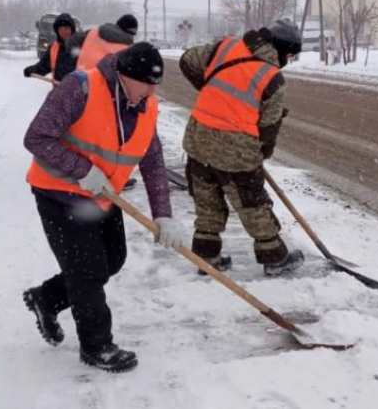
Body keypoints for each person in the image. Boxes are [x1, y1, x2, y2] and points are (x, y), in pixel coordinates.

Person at [22, 42, 181, 373]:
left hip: (102, 195)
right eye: (147, 83)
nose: (152, 92)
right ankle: (97, 346)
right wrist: (82, 170)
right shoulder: (79, 87)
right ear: (124, 75)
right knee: (88, 269)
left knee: (113, 259)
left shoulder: (145, 106)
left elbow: (152, 160)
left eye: (156, 85)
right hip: (58, 193)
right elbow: (36, 137)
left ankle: (46, 299)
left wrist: (163, 214)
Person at [179, 20, 304, 277]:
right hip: (236, 151)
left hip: (199, 138)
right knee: (252, 203)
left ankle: (207, 257)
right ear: (282, 50)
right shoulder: (272, 77)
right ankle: (275, 258)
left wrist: (208, 87)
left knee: (207, 201)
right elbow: (268, 128)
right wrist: (261, 154)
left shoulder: (227, 46)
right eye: (289, 56)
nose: (288, 62)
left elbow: (187, 60)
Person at [23, 13, 78, 82]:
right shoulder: (53, 48)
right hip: (60, 90)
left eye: (66, 28)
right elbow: (44, 66)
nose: (63, 32)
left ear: (72, 29)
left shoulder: (82, 46)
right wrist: (32, 70)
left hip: (81, 91)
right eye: (60, 29)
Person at [71, 14, 137, 71]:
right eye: (132, 34)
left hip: (79, 80)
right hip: (100, 83)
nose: (132, 37)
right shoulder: (125, 48)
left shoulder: (92, 33)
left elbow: (71, 43)